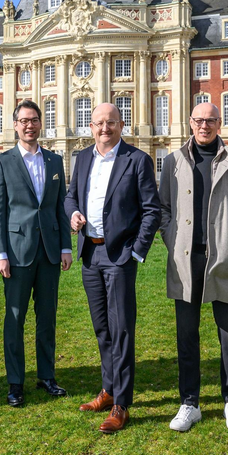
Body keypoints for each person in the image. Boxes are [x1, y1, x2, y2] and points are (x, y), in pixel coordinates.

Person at [158, 102, 228, 433]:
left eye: (211, 120)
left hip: (222, 260)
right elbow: (162, 209)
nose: (205, 126)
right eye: (199, 120)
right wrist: (173, 239)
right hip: (185, 260)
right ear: (190, 123)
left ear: (220, 123)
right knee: (186, 336)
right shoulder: (173, 161)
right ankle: (189, 403)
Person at [65, 103, 161, 434]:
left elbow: (152, 210)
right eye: (98, 123)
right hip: (89, 255)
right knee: (102, 327)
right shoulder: (82, 158)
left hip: (119, 255)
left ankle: (121, 401)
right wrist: (73, 213)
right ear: (90, 127)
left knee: (121, 329)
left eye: (111, 123)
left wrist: (136, 252)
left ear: (122, 125)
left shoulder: (136, 159)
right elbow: (70, 197)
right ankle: (108, 389)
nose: (104, 128)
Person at [0, 100, 73, 409]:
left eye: (34, 120)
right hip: (17, 252)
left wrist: (66, 246)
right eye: (23, 121)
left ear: (40, 124)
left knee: (47, 317)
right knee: (15, 318)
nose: (29, 125)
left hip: (50, 252)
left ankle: (47, 375)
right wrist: (0, 253)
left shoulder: (54, 160)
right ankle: (15, 382)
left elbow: (61, 205)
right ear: (15, 125)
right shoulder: (3, 162)